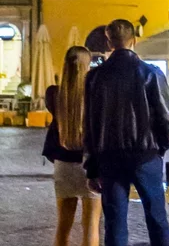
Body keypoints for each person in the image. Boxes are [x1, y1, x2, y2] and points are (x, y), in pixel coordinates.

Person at [83, 19, 169, 246]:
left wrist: (91, 166)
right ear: (134, 40)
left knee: (114, 222)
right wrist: (160, 148)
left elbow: (90, 125)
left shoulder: (95, 77)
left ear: (109, 41)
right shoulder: (151, 73)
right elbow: (165, 117)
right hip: (145, 154)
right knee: (156, 217)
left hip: (109, 156)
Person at [44, 46, 101, 246]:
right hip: (89, 165)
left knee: (63, 226)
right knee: (91, 226)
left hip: (62, 164)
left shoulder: (54, 94)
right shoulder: (95, 94)